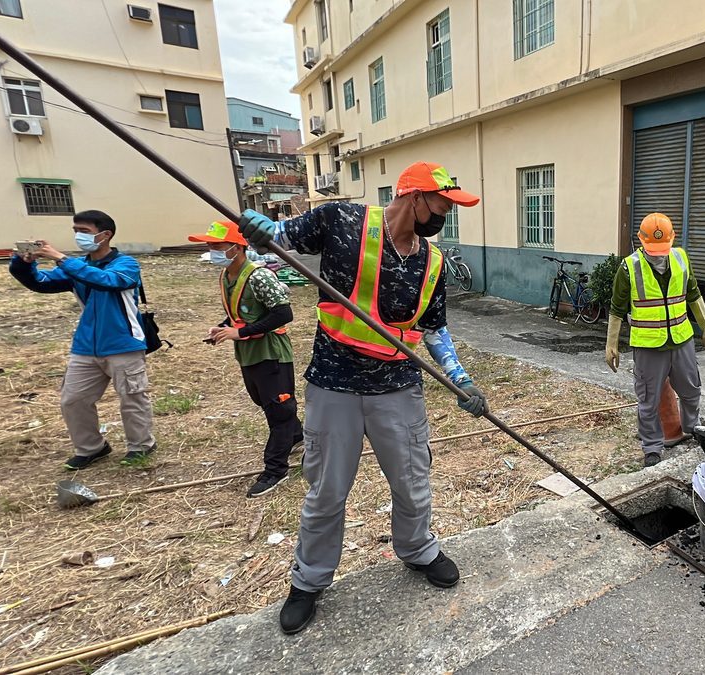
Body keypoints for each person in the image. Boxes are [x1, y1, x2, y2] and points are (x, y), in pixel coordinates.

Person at [239, 161, 489, 635]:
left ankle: (417, 550)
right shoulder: (340, 220)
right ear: (415, 198)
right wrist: (256, 231)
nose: (445, 215)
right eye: (441, 205)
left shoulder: (431, 261)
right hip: (334, 384)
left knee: (413, 480)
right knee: (327, 490)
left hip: (398, 388)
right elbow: (279, 236)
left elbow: (434, 328)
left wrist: (460, 380)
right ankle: (309, 580)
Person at [7, 210, 157, 468]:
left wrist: (62, 259)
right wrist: (23, 262)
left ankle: (141, 445)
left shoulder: (126, 264)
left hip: (124, 343)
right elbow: (40, 282)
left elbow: (108, 281)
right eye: (75, 230)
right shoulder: (76, 268)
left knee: (132, 399)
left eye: (84, 231)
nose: (78, 236)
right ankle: (92, 447)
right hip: (86, 346)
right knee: (73, 399)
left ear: (105, 234)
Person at [187, 220, 302, 498]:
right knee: (264, 401)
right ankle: (298, 437)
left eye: (217, 245)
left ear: (237, 248)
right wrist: (223, 327)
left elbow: (283, 314)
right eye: (209, 245)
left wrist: (241, 332)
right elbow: (243, 311)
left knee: (279, 409)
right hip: (249, 353)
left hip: (270, 352)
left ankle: (276, 470)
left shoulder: (259, 276)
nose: (211, 250)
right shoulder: (228, 276)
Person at [605, 213, 705, 468]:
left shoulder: (680, 258)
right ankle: (652, 447)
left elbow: (694, 294)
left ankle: (692, 428)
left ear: (673, 240)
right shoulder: (629, 267)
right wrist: (611, 344)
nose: (658, 254)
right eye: (653, 249)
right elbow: (616, 308)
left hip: (681, 340)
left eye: (662, 248)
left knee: (691, 391)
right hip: (648, 346)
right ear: (641, 241)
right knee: (648, 400)